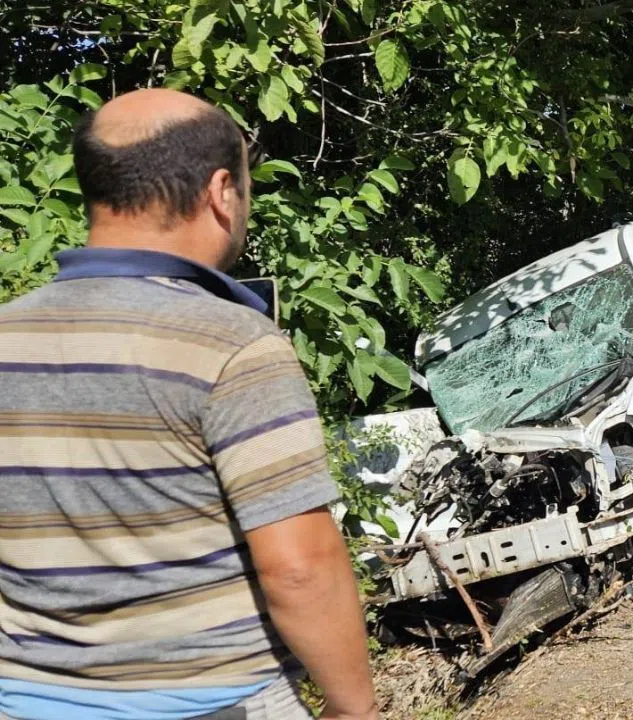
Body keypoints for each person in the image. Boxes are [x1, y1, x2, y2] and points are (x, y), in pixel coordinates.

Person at [0, 89, 378, 719]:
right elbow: (300, 568)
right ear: (222, 191)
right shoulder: (232, 343)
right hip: (215, 700)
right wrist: (354, 709)